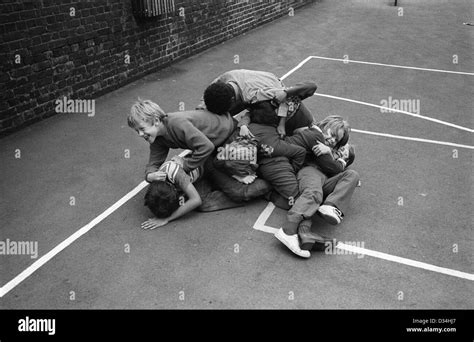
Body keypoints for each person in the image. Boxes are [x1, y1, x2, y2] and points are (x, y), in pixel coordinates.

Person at [273, 116, 359, 258]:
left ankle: (330, 206)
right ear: (326, 126)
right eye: (332, 135)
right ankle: (288, 230)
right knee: (313, 193)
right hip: (309, 171)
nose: (332, 140)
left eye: (336, 141)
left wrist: (338, 156)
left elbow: (338, 169)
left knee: (353, 175)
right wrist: (332, 154)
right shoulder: (316, 137)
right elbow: (331, 166)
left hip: (325, 180)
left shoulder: (330, 151)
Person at [199, 69, 318, 137]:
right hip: (276, 114)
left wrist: (286, 93)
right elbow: (208, 97)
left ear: (233, 102)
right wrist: (201, 109)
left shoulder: (257, 95)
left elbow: (311, 87)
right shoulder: (225, 79)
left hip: (296, 118)